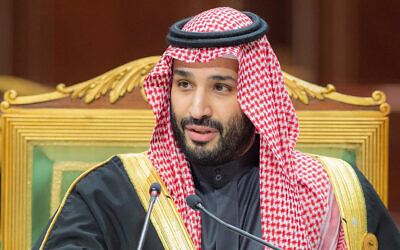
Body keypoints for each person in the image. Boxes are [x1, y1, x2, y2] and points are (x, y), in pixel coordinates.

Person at [34, 7, 400, 249]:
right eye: (184, 84)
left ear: (258, 96)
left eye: (221, 87)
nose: (197, 109)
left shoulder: (331, 193)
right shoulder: (106, 196)